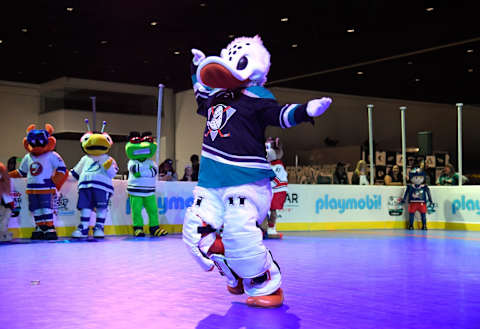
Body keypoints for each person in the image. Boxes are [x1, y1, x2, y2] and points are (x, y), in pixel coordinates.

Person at [182, 35, 332, 308]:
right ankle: (234, 271)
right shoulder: (215, 96)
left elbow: (280, 115)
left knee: (240, 233)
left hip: (246, 182)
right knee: (195, 234)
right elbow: (200, 94)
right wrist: (196, 68)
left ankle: (266, 285)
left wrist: (306, 111)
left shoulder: (257, 97)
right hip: (210, 183)